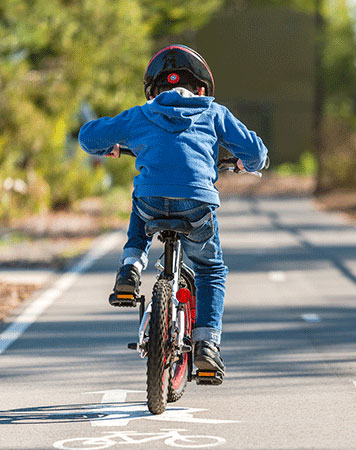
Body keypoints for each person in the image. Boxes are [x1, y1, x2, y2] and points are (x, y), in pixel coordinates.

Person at [78, 44, 268, 380]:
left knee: (143, 197)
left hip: (151, 204)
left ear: (154, 90)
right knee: (211, 270)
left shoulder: (141, 114)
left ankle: (130, 267)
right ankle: (207, 346)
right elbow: (255, 151)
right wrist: (248, 163)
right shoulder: (214, 112)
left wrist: (113, 146)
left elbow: (88, 137)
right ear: (201, 88)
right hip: (197, 205)